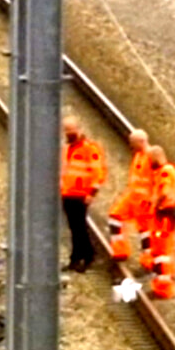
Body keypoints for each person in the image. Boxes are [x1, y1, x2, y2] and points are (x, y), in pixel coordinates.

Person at [60, 116, 107, 273]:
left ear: (78, 128)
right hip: (68, 193)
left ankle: (84, 257)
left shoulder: (89, 149)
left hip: (80, 194)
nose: (68, 133)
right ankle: (80, 256)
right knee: (75, 227)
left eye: (70, 129)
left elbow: (98, 173)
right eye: (66, 130)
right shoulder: (68, 148)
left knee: (79, 227)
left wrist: (91, 192)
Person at [108, 130, 155, 265]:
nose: (130, 145)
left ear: (141, 141)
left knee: (145, 230)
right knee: (115, 216)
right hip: (133, 196)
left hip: (145, 200)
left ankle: (148, 259)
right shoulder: (139, 156)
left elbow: (158, 180)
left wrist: (153, 199)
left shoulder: (151, 157)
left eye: (133, 143)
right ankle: (120, 250)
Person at [147, 146, 175, 299]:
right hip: (165, 214)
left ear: (156, 157)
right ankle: (162, 282)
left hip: (165, 214)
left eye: (150, 159)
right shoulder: (168, 170)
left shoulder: (165, 172)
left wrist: (155, 204)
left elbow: (165, 191)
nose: (149, 162)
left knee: (162, 250)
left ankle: (164, 287)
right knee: (161, 249)